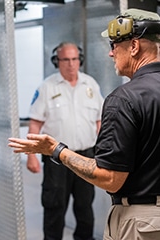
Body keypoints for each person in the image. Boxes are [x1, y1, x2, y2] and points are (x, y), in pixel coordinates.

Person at [9, 8, 160, 240]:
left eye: (114, 45)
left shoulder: (124, 98)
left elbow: (111, 179)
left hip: (145, 225)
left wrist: (56, 150)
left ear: (134, 47)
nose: (111, 54)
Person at [25, 42, 104, 240]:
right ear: (56, 61)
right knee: (54, 206)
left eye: (74, 59)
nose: (70, 64)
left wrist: (103, 151)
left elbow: (99, 121)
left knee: (85, 205)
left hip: (86, 155)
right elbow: (35, 125)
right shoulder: (46, 87)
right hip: (56, 159)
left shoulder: (91, 85)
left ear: (80, 60)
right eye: (65, 60)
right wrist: (31, 157)